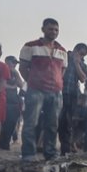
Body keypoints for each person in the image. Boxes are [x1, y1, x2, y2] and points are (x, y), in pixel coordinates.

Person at [19, 17, 68, 162]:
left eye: (56, 30)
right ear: (43, 29)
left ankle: (50, 153)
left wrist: (56, 83)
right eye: (50, 29)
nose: (53, 32)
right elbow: (23, 68)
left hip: (56, 91)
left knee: (52, 124)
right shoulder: (30, 46)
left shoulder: (62, 51)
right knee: (31, 122)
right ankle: (28, 153)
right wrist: (34, 82)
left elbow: (62, 71)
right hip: (36, 90)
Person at [59, 43, 87, 155]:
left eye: (83, 55)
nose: (81, 56)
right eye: (80, 53)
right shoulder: (64, 56)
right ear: (75, 50)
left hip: (73, 94)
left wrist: (77, 63)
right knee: (59, 120)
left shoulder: (82, 64)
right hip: (60, 92)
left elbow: (82, 79)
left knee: (68, 122)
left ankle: (65, 149)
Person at [0, 56, 25, 150]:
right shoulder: (1, 71)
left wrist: (15, 73)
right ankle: (0, 144)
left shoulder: (14, 73)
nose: (14, 65)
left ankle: (5, 144)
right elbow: (1, 85)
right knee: (1, 124)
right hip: (3, 101)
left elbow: (21, 85)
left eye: (15, 63)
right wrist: (12, 87)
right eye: (12, 63)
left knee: (12, 124)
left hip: (13, 102)